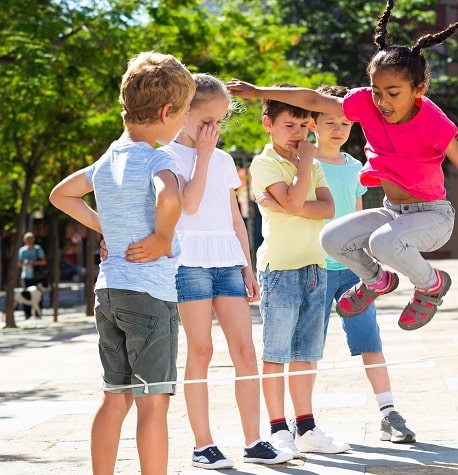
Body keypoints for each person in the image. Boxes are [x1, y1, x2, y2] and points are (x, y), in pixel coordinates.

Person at [227, 1, 458, 333]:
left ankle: (432, 284)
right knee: (332, 237)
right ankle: (377, 280)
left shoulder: (433, 122)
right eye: (378, 91)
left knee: (382, 242)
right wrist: (257, 91)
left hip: (433, 217)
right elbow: (313, 101)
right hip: (393, 213)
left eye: (393, 93)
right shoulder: (366, 104)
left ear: (418, 90)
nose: (383, 102)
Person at [49, 51, 195, 474]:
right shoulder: (156, 158)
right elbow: (169, 195)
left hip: (109, 293)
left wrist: (103, 227)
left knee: (114, 397)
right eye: (184, 113)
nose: (183, 122)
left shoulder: (108, 158)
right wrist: (162, 238)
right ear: (167, 112)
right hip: (150, 297)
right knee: (153, 403)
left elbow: (61, 194)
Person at [161, 73, 290, 469]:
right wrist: (201, 154)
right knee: (201, 350)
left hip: (227, 263)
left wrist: (247, 267)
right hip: (189, 265)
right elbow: (191, 206)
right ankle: (203, 445)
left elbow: (236, 218)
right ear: (181, 113)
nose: (213, 130)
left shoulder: (223, 159)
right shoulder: (165, 156)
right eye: (205, 122)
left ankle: (254, 441)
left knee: (245, 351)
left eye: (219, 122)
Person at [248, 85, 350, 458]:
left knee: (308, 352)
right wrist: (304, 167)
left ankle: (305, 426)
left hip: (315, 267)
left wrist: (292, 202)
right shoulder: (264, 164)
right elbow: (295, 199)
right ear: (268, 124)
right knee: (276, 353)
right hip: (279, 270)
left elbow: (326, 209)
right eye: (289, 125)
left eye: (303, 127)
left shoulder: (315, 164)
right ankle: (278, 429)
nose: (298, 134)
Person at [312, 84, 415, 443]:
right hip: (315, 269)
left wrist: (367, 263)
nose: (338, 128)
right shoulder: (304, 163)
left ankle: (389, 413)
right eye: (329, 122)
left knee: (370, 341)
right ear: (313, 123)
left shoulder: (356, 166)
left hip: (354, 272)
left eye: (344, 122)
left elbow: (357, 219)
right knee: (308, 348)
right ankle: (302, 421)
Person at [17, 231, 48, 318]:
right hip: (26, 276)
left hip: (37, 276)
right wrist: (25, 263)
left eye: (31, 238)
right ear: (24, 240)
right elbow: (19, 263)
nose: (29, 240)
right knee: (26, 295)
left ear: (34, 239)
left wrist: (34, 262)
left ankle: (38, 313)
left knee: (38, 296)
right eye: (28, 239)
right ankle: (28, 314)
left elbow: (44, 261)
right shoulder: (22, 250)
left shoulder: (38, 249)